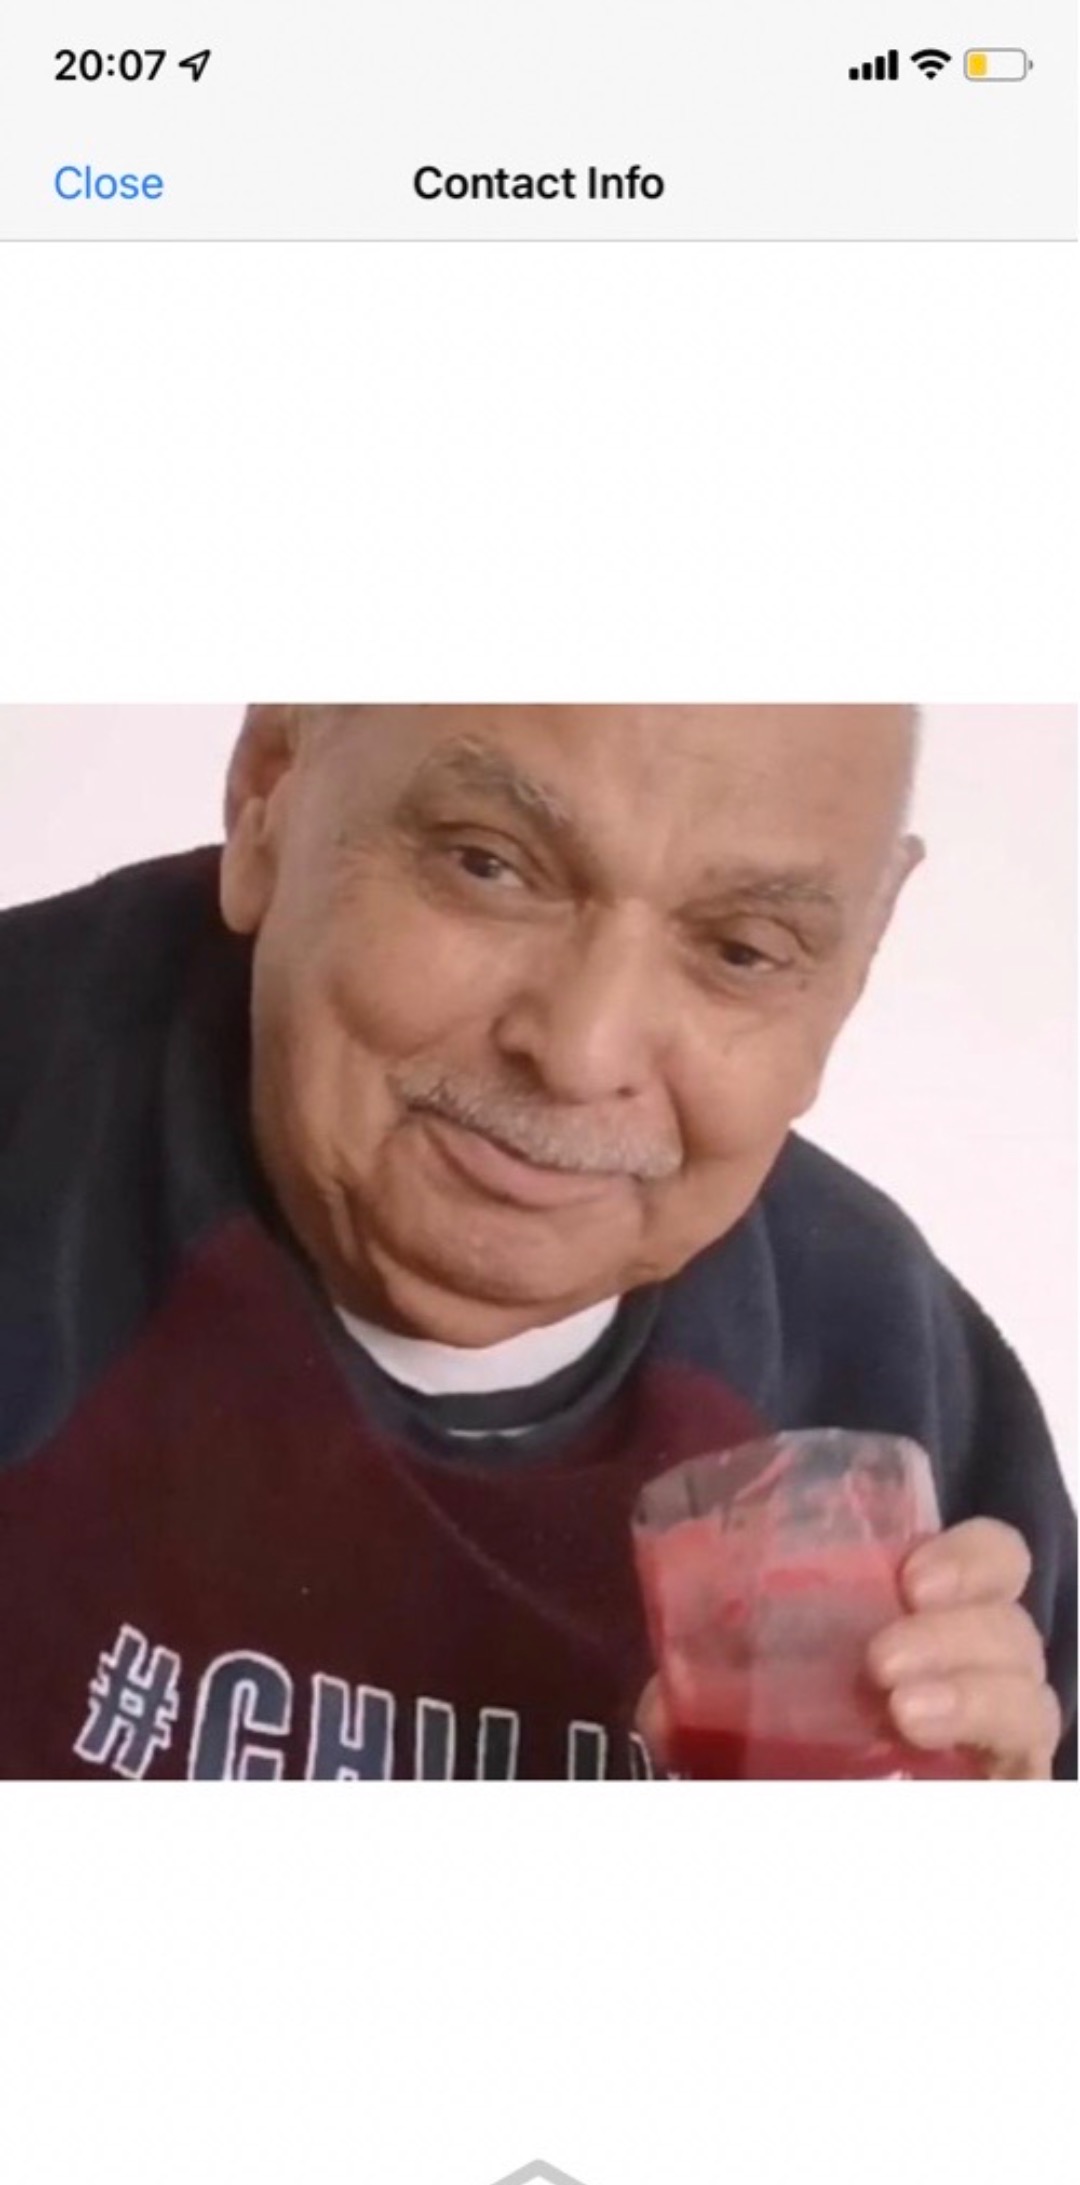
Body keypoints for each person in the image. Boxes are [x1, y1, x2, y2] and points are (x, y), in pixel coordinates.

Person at [0, 704, 1073, 1781]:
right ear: (268, 794)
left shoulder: (897, 1385)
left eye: (741, 950)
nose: (579, 1052)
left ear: (862, 958)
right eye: (488, 865)